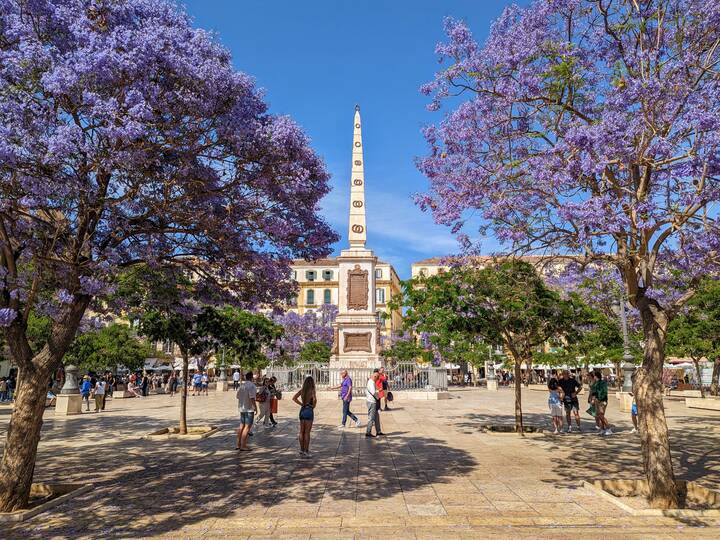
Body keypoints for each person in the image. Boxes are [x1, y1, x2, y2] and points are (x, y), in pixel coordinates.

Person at [292, 376, 317, 457]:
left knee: (301, 431)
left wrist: (302, 404)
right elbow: (314, 400)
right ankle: (306, 450)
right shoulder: (312, 391)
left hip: (302, 410)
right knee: (307, 433)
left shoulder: (302, 390)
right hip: (309, 410)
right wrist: (313, 406)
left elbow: (294, 398)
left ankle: (301, 450)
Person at [236, 372, 257, 451]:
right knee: (247, 427)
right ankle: (243, 445)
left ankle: (238, 444)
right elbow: (252, 398)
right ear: (251, 377)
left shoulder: (242, 386)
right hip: (249, 409)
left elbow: (237, 396)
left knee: (241, 426)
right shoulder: (252, 386)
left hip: (242, 408)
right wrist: (255, 407)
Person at [591, 370, 612, 435]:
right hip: (597, 401)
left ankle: (608, 428)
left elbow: (604, 392)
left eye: (593, 376)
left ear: (595, 376)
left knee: (601, 415)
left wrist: (600, 399)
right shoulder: (595, 383)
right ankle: (602, 429)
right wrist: (593, 399)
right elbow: (593, 393)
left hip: (602, 401)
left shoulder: (602, 383)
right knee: (598, 415)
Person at [365, 370, 384, 438]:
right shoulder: (371, 382)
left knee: (376, 416)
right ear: (375, 376)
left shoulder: (371, 381)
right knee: (371, 417)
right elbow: (373, 392)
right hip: (372, 401)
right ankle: (368, 432)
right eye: (377, 377)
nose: (377, 379)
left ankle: (378, 431)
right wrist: (379, 391)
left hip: (373, 401)